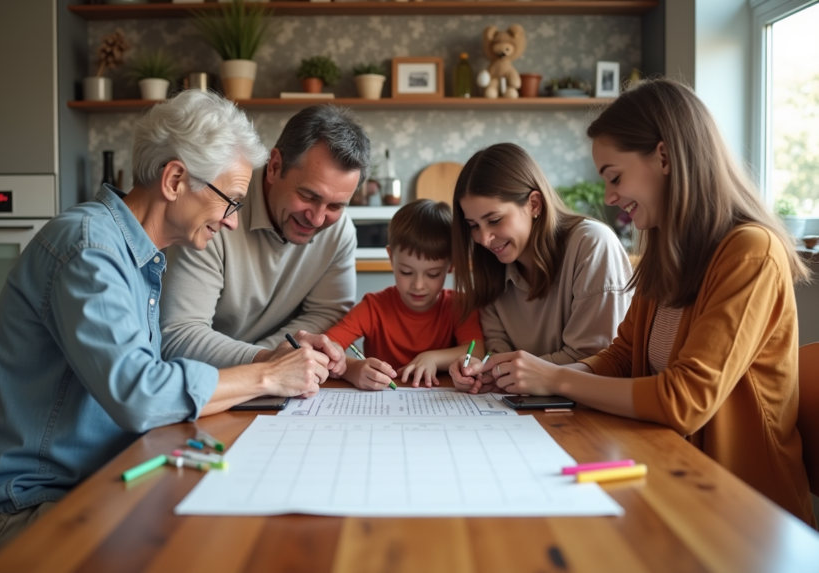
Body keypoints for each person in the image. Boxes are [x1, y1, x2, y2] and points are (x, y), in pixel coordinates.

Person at [0, 90, 341, 557]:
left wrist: (269, 374)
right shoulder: (89, 250)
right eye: (230, 201)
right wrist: (265, 374)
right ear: (176, 179)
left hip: (92, 481)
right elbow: (141, 394)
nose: (232, 223)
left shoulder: (138, 256)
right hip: (29, 505)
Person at [477, 79, 816, 526]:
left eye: (614, 177)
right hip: (670, 477)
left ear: (665, 157)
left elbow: (685, 400)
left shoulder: (751, 252)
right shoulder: (665, 250)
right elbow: (621, 356)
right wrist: (540, 380)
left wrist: (556, 379)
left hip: (743, 510)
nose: (608, 196)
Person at [159, 105, 370, 371]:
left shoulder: (339, 232)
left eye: (335, 206)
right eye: (308, 196)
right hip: (199, 380)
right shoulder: (213, 212)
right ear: (275, 166)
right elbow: (178, 334)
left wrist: (271, 357)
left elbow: (327, 314)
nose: (317, 219)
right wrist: (266, 360)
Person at [448, 143, 633, 392]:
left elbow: (597, 361)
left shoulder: (593, 245)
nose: (484, 239)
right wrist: (481, 370)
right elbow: (499, 351)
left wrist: (502, 370)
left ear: (534, 204)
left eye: (494, 220)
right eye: (473, 225)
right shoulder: (490, 265)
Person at [325, 199, 485, 389]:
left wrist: (432, 358)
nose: (418, 285)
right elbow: (329, 346)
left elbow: (477, 352)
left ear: (451, 266)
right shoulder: (373, 307)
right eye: (406, 272)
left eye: (432, 274)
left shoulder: (460, 305)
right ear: (392, 258)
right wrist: (353, 368)